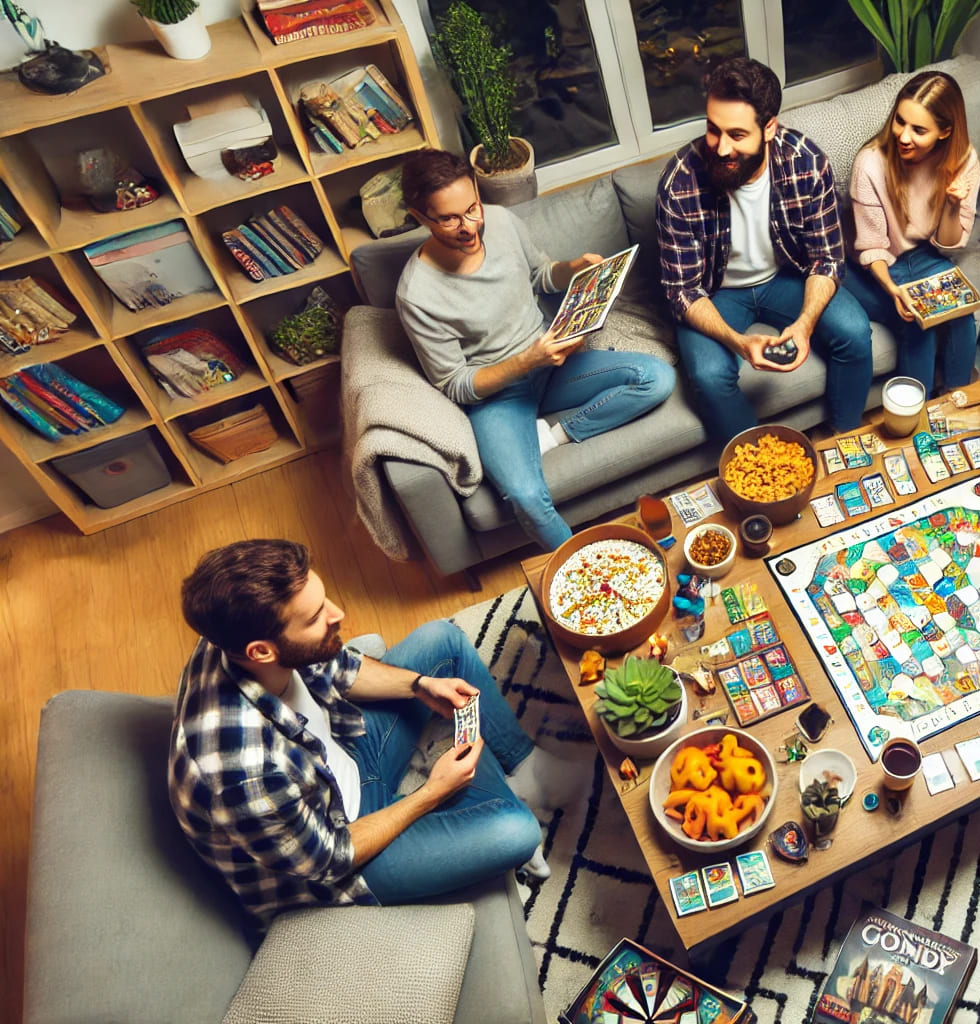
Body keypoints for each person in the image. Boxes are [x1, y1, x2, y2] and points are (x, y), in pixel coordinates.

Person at [169, 539, 587, 927]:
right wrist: (432, 793)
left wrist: (421, 686)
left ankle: (526, 773)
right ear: (262, 651)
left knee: (442, 640)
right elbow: (331, 859)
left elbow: (337, 665)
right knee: (516, 832)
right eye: (316, 617)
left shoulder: (234, 633)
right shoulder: (243, 774)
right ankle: (483, 813)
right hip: (340, 858)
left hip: (343, 760)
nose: (338, 614)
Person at [394, 148, 675, 553]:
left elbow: (541, 275)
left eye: (473, 208)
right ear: (420, 217)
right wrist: (526, 360)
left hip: (552, 365)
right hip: (498, 395)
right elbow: (455, 384)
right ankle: (588, 573)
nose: (469, 227)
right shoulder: (417, 295)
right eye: (450, 219)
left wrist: (573, 268)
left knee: (656, 377)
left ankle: (551, 436)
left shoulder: (503, 222)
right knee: (525, 495)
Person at [656, 56, 875, 442]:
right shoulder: (679, 183)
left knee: (854, 332)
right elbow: (683, 291)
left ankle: (845, 440)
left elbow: (827, 258)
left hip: (784, 279)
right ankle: (761, 465)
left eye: (737, 135)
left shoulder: (806, 162)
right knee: (708, 375)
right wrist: (739, 343)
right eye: (713, 130)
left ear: (769, 127)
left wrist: (804, 325)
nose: (721, 148)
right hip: (716, 294)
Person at [839, 70, 980, 395]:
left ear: (945, 131)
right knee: (918, 323)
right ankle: (917, 417)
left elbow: (950, 243)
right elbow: (871, 246)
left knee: (961, 312)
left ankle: (958, 403)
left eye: (919, 130)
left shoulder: (965, 161)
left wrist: (951, 204)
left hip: (924, 254)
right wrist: (893, 290)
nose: (903, 136)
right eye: (900, 121)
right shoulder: (870, 163)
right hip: (868, 263)